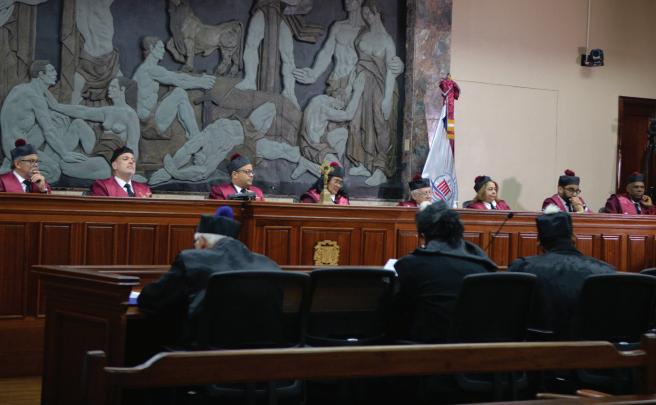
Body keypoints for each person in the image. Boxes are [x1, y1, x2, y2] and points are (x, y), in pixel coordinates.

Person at [137, 207, 282, 343]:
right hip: (264, 355)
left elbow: (151, 299)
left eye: (195, 242)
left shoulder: (191, 260)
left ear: (202, 241)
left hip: (203, 354)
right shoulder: (270, 265)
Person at [391, 201, 497, 343]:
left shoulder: (412, 264)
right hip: (475, 347)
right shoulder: (484, 265)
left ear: (423, 235)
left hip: (425, 348)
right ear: (459, 230)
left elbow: (397, 315)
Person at [508, 206, 615, 339]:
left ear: (539, 243)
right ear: (573, 238)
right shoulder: (606, 271)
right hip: (594, 347)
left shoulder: (522, 268)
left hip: (537, 346)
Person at [346, 0, 404, 187]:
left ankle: (380, 168)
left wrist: (387, 98)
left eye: (369, 13)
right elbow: (356, 61)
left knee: (380, 125)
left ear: (377, 12)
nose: (367, 17)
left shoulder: (387, 41)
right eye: (364, 14)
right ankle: (364, 162)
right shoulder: (363, 34)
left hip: (380, 86)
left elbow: (390, 72)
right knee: (357, 122)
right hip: (362, 84)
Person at [46, 77, 140, 179]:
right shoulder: (108, 110)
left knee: (66, 167)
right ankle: (61, 155)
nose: (109, 89)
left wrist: (128, 171)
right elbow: (84, 112)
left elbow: (132, 144)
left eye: (113, 87)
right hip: (98, 148)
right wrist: (56, 106)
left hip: (112, 156)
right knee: (78, 124)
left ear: (122, 90)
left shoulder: (130, 115)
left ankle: (108, 172)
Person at [132, 36, 215, 140]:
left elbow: (177, 76)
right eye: (160, 48)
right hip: (150, 125)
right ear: (152, 48)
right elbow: (177, 81)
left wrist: (199, 78)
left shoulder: (149, 69)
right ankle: (195, 136)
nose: (163, 51)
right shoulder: (149, 69)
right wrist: (200, 83)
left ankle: (194, 134)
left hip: (151, 119)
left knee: (179, 92)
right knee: (180, 93)